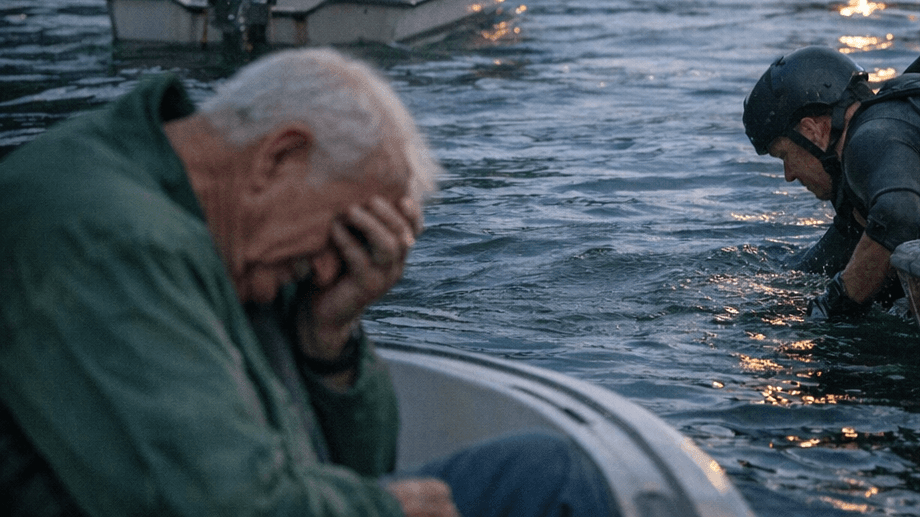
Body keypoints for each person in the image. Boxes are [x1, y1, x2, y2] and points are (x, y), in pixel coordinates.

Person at [0, 48, 616, 517]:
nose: (330, 267)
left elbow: (351, 468)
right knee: (551, 482)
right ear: (278, 158)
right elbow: (214, 505)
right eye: (339, 232)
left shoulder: (226, 239)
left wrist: (328, 338)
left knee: (540, 471)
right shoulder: (110, 235)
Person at [743, 46, 920, 318]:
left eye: (784, 156)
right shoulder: (903, 110)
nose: (789, 175)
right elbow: (829, 257)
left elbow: (901, 218)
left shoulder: (870, 138)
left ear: (811, 131)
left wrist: (831, 307)